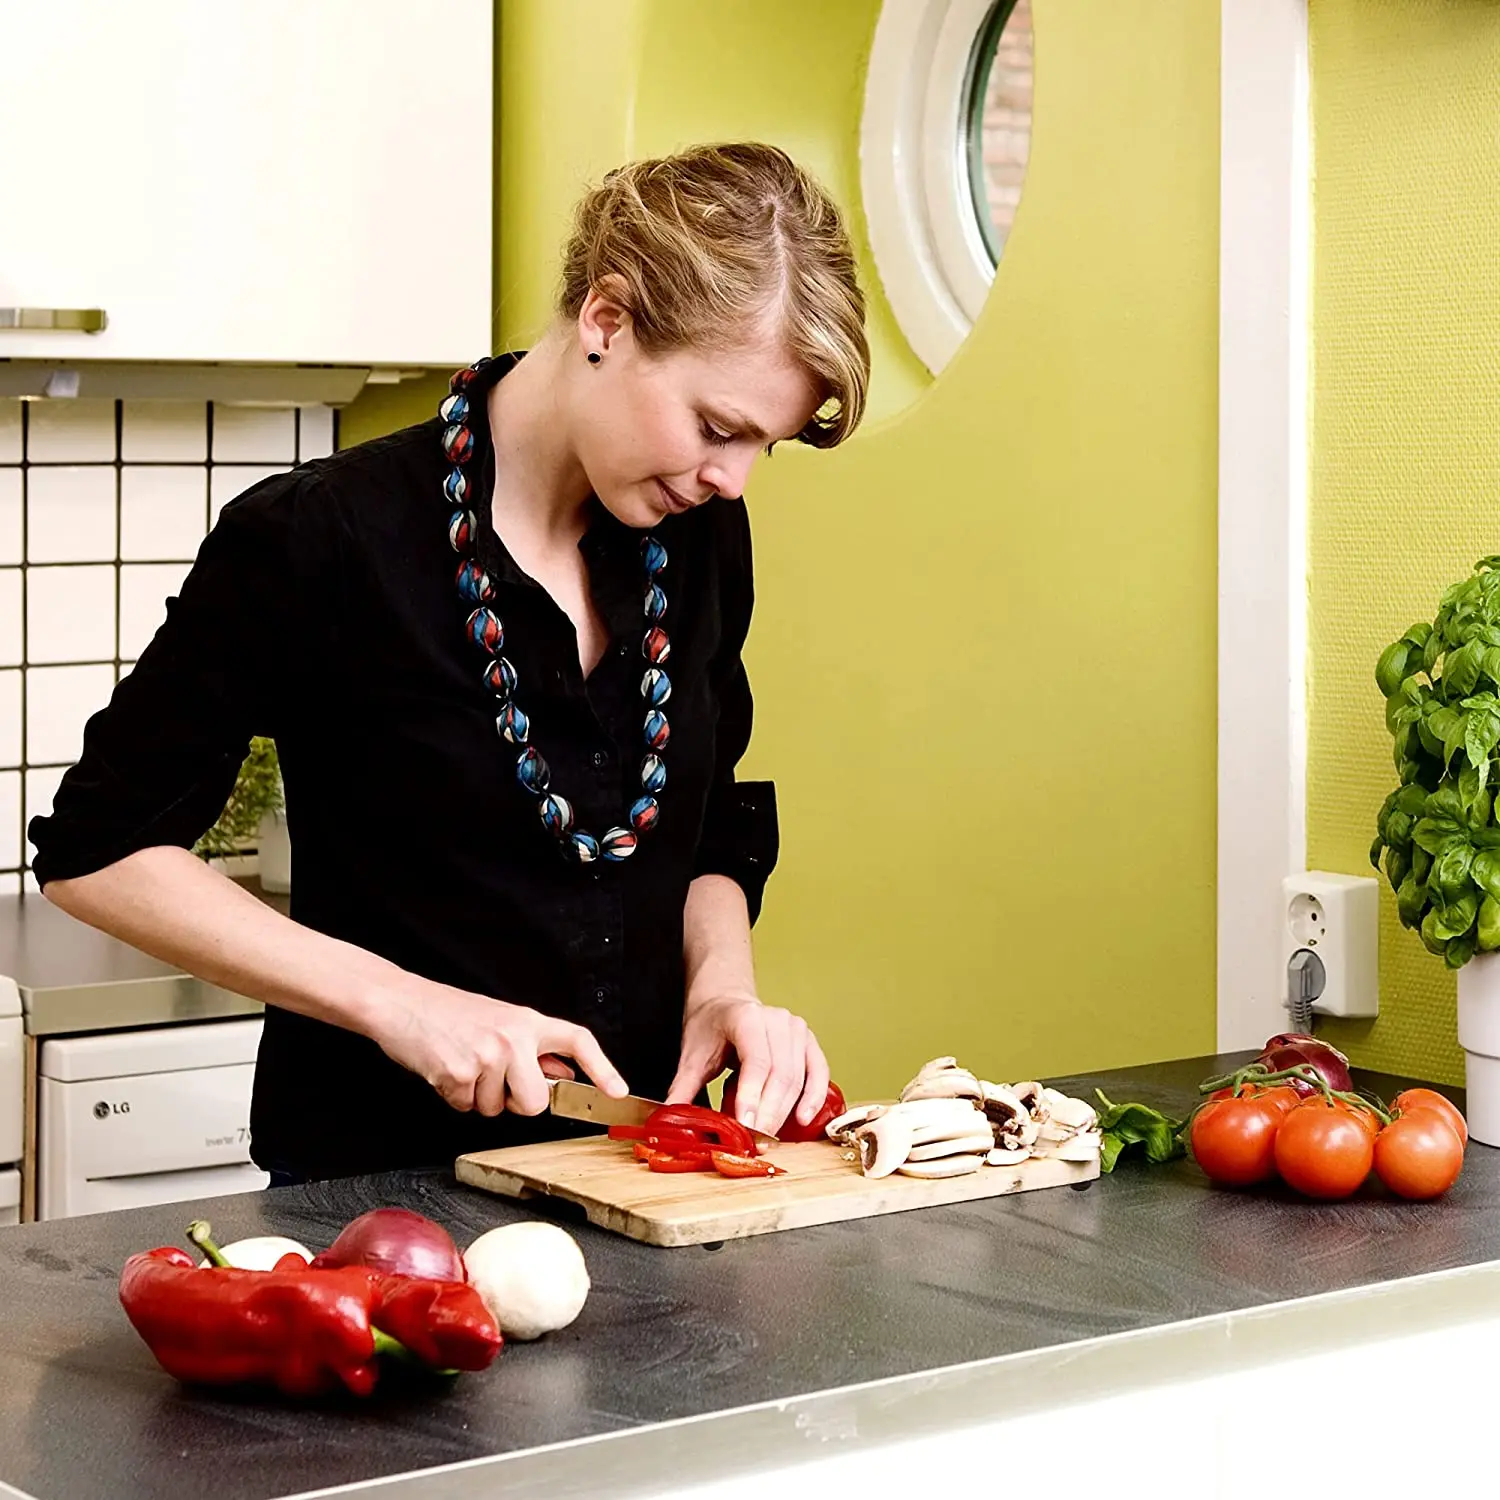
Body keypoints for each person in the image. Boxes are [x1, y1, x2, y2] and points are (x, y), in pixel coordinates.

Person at [28, 141, 871, 1184]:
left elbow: (701, 829)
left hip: (644, 1179)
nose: (732, 479)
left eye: (763, 446)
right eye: (716, 426)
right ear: (606, 321)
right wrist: (404, 1006)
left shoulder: (696, 540)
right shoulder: (319, 539)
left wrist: (722, 996)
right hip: (380, 1195)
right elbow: (95, 854)